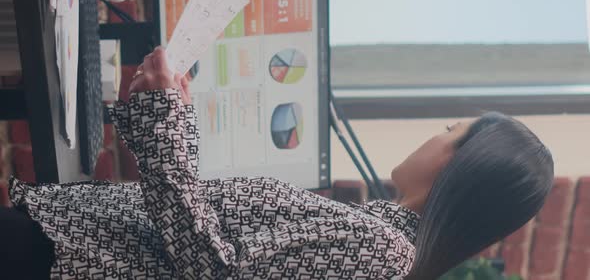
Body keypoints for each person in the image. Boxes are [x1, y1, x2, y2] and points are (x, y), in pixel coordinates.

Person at [0, 48, 553, 280]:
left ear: (458, 167)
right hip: (70, 247)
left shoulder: (383, 252)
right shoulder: (380, 239)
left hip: (69, 258)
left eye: (450, 131)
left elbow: (213, 268)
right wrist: (172, 118)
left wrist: (168, 119)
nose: (435, 135)